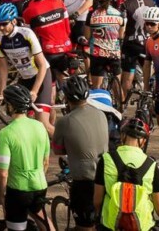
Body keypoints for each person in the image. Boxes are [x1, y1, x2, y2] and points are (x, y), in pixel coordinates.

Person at [55, 75, 110, 231]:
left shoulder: (64, 121)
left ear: (66, 98)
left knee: (83, 226)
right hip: (105, 176)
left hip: (84, 181)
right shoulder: (101, 114)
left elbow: (58, 150)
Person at [0, 84, 51, 231]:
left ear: (11, 106)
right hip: (40, 185)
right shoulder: (40, 126)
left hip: (18, 190)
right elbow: (46, 162)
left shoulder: (6, 133)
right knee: (43, 219)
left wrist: (1, 195)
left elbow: (3, 172)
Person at [94, 115, 159, 231]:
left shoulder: (106, 159)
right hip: (141, 225)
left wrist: (96, 217)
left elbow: (97, 200)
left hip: (111, 223)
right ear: (143, 141)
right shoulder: (151, 165)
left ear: (122, 136)